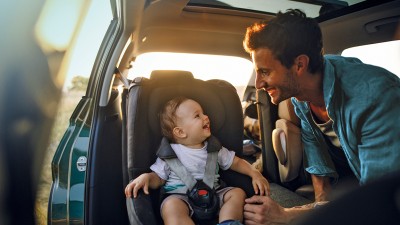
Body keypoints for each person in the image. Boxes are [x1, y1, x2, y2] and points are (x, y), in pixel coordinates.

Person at [242, 8, 400, 225]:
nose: (258, 84)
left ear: (300, 65)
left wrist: (287, 216)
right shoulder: (300, 95)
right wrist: (320, 204)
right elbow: (315, 150)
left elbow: (378, 203)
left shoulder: (374, 98)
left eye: (265, 72)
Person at [125, 97, 270, 225]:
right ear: (180, 132)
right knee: (171, 207)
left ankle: (228, 222)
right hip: (181, 197)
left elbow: (237, 162)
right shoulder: (170, 154)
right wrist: (146, 178)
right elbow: (158, 178)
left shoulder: (215, 149)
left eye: (203, 113)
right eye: (197, 116)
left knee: (237, 193)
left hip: (215, 194)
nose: (206, 117)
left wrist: (254, 173)